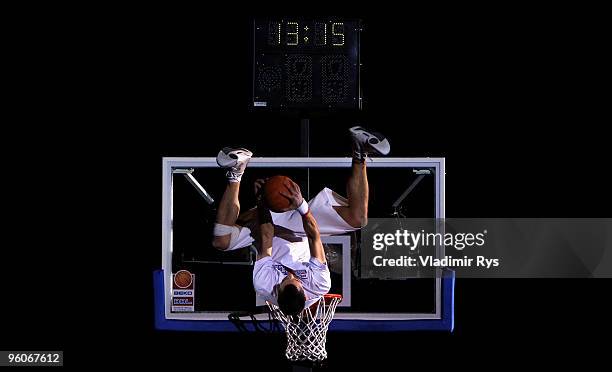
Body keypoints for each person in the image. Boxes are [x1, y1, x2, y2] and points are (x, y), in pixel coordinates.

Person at [211, 126, 390, 315]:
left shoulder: (264, 284)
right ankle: (360, 151)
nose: (289, 274)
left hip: (270, 229)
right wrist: (301, 204)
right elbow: (315, 237)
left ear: (277, 293)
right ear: (304, 291)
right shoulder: (319, 285)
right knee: (358, 219)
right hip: (302, 230)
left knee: (221, 241)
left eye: (284, 280)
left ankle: (236, 172)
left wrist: (262, 201)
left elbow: (266, 237)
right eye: (293, 279)